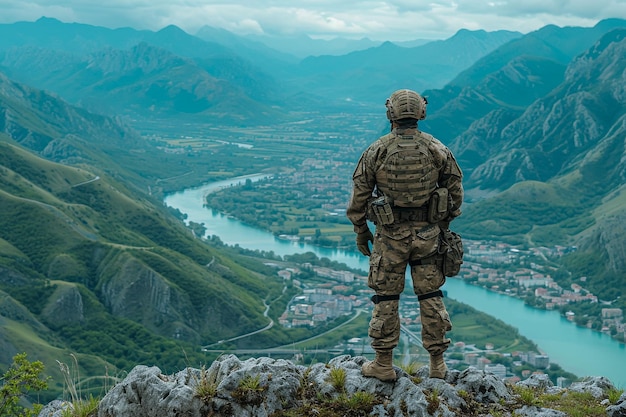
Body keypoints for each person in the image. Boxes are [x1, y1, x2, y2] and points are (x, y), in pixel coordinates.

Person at [346, 88, 463, 381]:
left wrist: (362, 231)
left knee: (385, 297)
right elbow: (455, 193)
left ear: (391, 114)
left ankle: (383, 364)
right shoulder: (437, 148)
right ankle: (437, 364)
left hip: (390, 237)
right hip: (428, 234)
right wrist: (442, 224)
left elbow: (359, 197)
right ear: (421, 113)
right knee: (431, 294)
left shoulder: (377, 150)